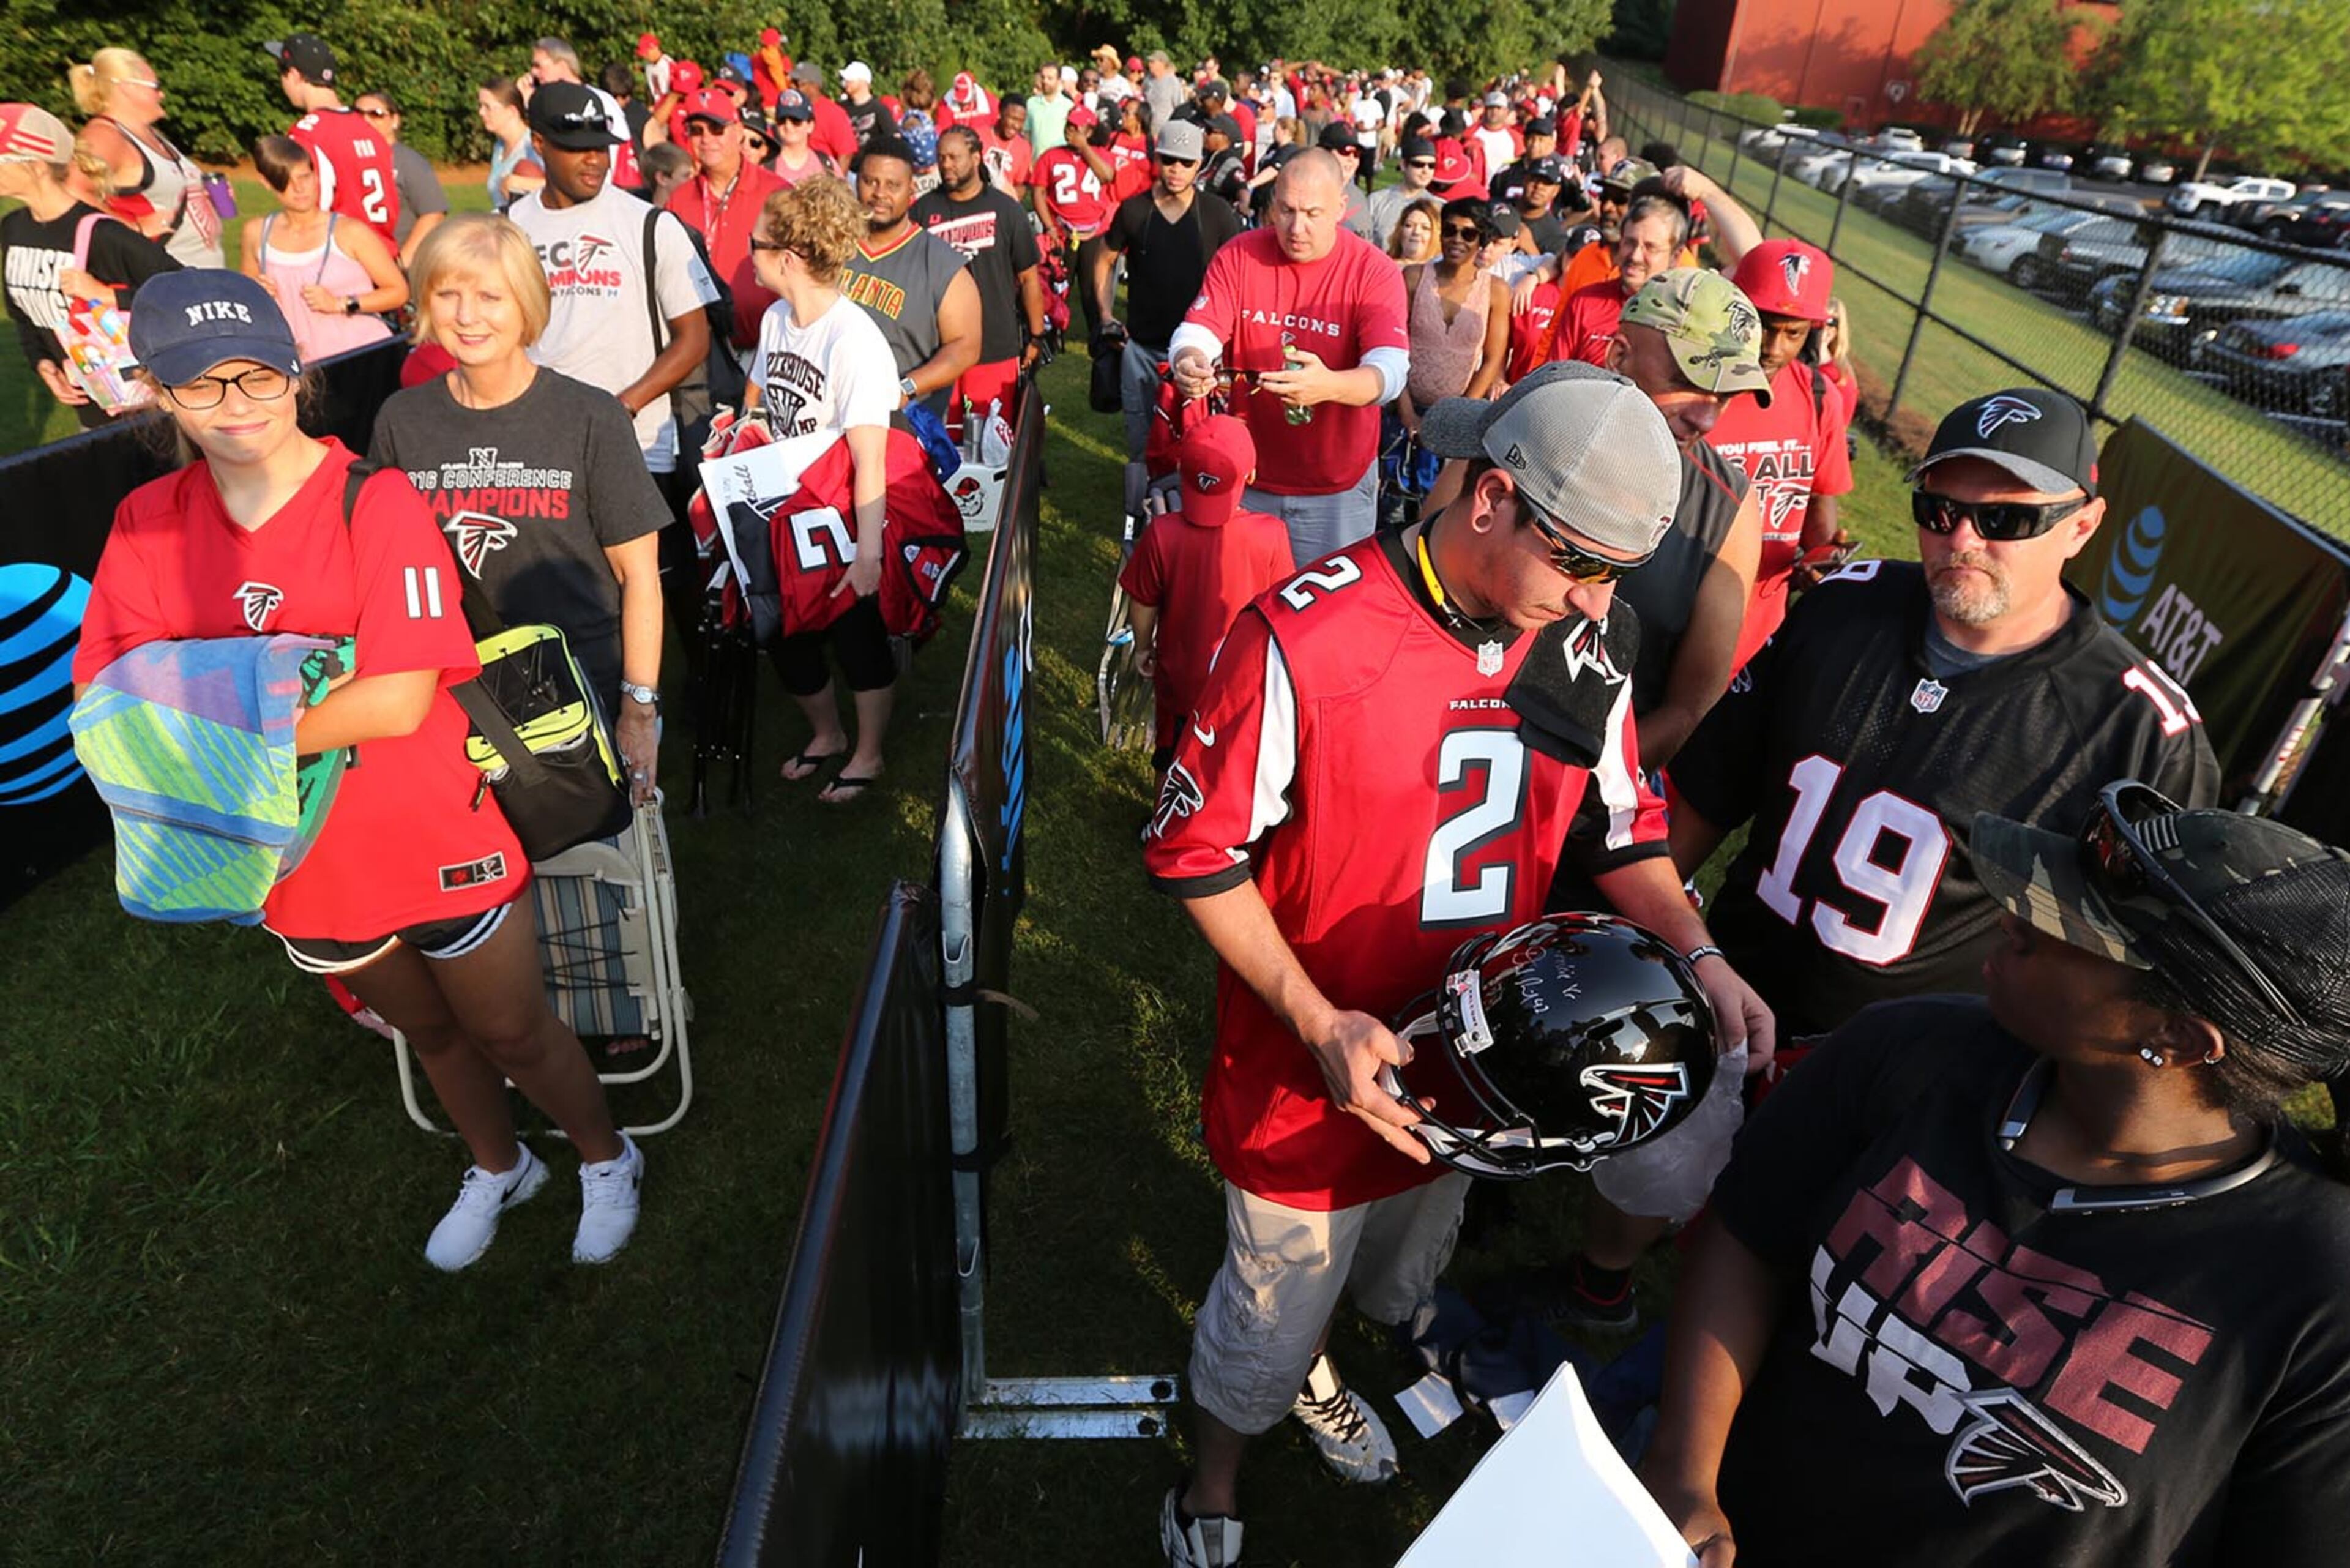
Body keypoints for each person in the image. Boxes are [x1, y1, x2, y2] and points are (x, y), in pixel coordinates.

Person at [1143, 365, 1773, 1568]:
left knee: (1394, 1269)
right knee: (1268, 1317)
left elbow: (1626, 830)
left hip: (1484, 1066)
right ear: (1491, 499)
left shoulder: (1585, 644)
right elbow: (1192, 847)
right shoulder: (1304, 633)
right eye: (1579, 563)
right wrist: (1316, 1017)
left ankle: (1331, 1355)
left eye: (1613, 576)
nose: (1596, 604)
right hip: (1308, 1069)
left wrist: (1698, 949)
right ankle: (1212, 1482)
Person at [74, 269, 643, 1271]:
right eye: (201, 385)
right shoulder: (148, 523)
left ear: (295, 377)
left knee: (512, 1029)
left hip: (432, 829)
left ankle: (606, 1154)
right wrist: (270, 693)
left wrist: (220, 711)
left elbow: (397, 700)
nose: (236, 406)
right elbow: (117, 704)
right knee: (427, 1033)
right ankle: (501, 1163)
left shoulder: (371, 503)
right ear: (157, 393)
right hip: (297, 854)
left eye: (258, 377)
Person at [1646, 786, 2350, 1567]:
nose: (2016, 919)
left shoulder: (2316, 1285)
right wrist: (1686, 1476)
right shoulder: (1905, 1052)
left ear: (2180, 1037)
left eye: (2074, 927)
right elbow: (1752, 1239)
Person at [1669, 386, 2225, 1042]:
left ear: (2082, 525)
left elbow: (2130, 990)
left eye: (2006, 521)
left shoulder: (2137, 731)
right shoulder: (1844, 609)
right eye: (1938, 510)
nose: (1961, 538)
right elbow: (1703, 793)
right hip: (1717, 1000)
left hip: (1911, 1081)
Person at [368, 213, 668, 797]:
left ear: (527, 304)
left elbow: (640, 578)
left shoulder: (591, 418)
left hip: (580, 693)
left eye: (489, 296)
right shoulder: (401, 421)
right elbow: (387, 576)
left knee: (596, 871)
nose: (467, 315)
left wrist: (638, 709)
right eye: (448, 294)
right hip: (452, 696)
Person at [741, 177, 904, 804]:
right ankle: (827, 735)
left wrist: (869, 555)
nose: (747, 255)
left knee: (856, 636)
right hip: (784, 507)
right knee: (785, 632)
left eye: (755, 244)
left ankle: (868, 753)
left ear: (787, 258)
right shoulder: (779, 317)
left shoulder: (853, 339)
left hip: (839, 516)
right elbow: (765, 400)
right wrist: (741, 431)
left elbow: (871, 458)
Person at [1169, 150, 1410, 564]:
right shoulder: (1240, 254)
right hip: (1249, 475)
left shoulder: (1374, 270)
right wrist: (1189, 360)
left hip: (1336, 486)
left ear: (1340, 207)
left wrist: (1329, 386)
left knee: (1323, 617)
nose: (1297, 228)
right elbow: (1199, 330)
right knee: (1239, 604)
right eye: (1286, 211)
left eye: (1313, 213)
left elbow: (1390, 372)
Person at [504, 81, 717, 506]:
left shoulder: (651, 225)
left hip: (636, 447)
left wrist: (622, 408)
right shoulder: (509, 227)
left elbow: (694, 339)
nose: (595, 160)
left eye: (601, 147)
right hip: (537, 444)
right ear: (539, 143)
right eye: (577, 147)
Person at [1707, 239, 1854, 671]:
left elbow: (1820, 502)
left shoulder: (1819, 396)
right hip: (1678, 617)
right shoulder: (1696, 389)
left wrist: (1822, 562)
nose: (1773, 347)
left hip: (1762, 628)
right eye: (1763, 325)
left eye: (1793, 333)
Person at [1117, 414, 1294, 768]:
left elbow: (1143, 602)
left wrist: (1143, 648)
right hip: (1242, 686)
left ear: (1181, 468)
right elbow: (1282, 613)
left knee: (1172, 761)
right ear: (1251, 475)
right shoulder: (1272, 535)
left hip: (1178, 679)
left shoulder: (1162, 533)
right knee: (1227, 767)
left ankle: (1163, 822)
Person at [0, 102, 181, 430]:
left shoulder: (103, 234)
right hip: (89, 408)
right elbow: (23, 313)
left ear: (38, 165)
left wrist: (107, 295)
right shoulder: (12, 228)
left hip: (150, 410)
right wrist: (43, 363)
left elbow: (185, 288)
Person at [1094, 118, 1242, 463]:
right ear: (1157, 159)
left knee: (1202, 444)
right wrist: (1105, 315)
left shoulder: (1218, 214)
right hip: (1142, 349)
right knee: (1142, 444)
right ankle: (1142, 511)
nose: (1176, 169)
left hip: (1201, 357)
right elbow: (1103, 260)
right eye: (1169, 159)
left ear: (1200, 166)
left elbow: (1240, 274)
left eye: (1186, 162)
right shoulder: (1133, 210)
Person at [838, 137, 981, 424]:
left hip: (900, 425)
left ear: (911, 190)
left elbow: (965, 346)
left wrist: (906, 387)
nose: (880, 194)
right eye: (870, 181)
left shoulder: (940, 262)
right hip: (827, 414)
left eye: (893, 185)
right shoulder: (833, 247)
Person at [916, 126, 1045, 435]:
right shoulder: (922, 211)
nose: (946, 164)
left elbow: (1028, 279)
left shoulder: (1007, 210)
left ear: (976, 158)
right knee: (941, 440)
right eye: (941, 158)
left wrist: (1037, 336)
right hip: (938, 350)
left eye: (954, 157)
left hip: (994, 346)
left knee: (991, 440)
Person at [240, 135, 406, 364]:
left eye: (305, 177)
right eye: (285, 181)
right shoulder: (256, 233)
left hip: (362, 359)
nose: (299, 189)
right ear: (266, 182)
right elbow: (244, 301)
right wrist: (255, 291)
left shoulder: (350, 232)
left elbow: (398, 292)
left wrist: (341, 303)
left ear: (316, 175)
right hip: (298, 364)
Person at [70, 48, 225, 269]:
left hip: (200, 280)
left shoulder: (150, 135)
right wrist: (133, 228)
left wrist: (203, 197)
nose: (162, 95)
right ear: (127, 88)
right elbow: (71, 191)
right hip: (162, 284)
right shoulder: (105, 136)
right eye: (156, 88)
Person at [666, 88, 784, 354]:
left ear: (739, 131)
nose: (706, 139)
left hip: (764, 352)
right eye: (696, 131)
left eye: (717, 128)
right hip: (701, 353)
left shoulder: (778, 193)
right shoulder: (679, 200)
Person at [265, 32, 398, 251]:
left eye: (283, 73)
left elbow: (310, 209)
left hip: (341, 258)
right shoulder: (369, 128)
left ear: (295, 75)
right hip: (385, 258)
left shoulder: (308, 133)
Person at [1398, 198, 1511, 432]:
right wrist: (1407, 414)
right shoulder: (1413, 277)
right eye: (1450, 230)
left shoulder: (1496, 291)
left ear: (1482, 240)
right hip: (1402, 408)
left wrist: (1458, 417)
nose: (1457, 240)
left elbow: (1492, 359)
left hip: (1459, 416)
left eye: (1468, 234)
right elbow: (1393, 347)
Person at [1027, 106, 1116, 342]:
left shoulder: (1101, 154)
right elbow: (1038, 191)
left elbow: (1107, 176)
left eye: (1078, 127)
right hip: (1062, 232)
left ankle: (1098, 336)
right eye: (1069, 126)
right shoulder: (1051, 156)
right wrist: (1049, 227)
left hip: (1093, 233)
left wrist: (1084, 148)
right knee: (1056, 287)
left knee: (1091, 289)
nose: (1071, 131)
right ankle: (1050, 335)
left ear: (1089, 131)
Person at [352, 91, 449, 270]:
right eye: (358, 114)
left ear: (395, 120)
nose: (365, 120)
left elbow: (433, 214)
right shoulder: (346, 159)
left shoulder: (409, 162)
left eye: (376, 114)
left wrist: (401, 264)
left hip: (397, 265)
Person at [479, 77, 545, 211]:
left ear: (511, 112)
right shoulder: (500, 146)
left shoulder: (533, 144)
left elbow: (561, 187)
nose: (481, 112)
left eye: (488, 107)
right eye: (480, 106)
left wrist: (523, 183)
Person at [1365, 135, 1439, 250]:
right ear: (1404, 165)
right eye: (1418, 165)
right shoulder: (1376, 201)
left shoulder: (1439, 207)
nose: (1426, 171)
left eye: (1431, 166)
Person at [975, 97, 1035, 195]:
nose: (1017, 126)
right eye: (1013, 119)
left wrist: (1009, 203)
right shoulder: (978, 136)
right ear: (1000, 114)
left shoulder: (1024, 147)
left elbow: (1021, 185)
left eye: (1021, 121)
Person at [837, 62, 895, 149]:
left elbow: (893, 140)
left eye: (850, 79)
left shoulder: (879, 110)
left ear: (863, 82)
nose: (845, 83)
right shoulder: (840, 108)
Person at [1386, 198, 1441, 265]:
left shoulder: (1444, 270)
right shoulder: (1383, 265)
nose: (1416, 232)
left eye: (1425, 228)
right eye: (1409, 226)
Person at [1143, 51, 1187, 127]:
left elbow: (1180, 106)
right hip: (1148, 127)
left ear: (1162, 63)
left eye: (1153, 62)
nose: (1149, 65)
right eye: (1149, 62)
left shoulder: (1172, 81)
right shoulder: (1148, 80)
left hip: (1165, 128)